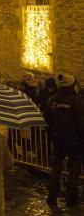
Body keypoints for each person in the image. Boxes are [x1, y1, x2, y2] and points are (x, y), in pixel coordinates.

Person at [45, 73, 84, 207]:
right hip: (75, 141)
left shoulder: (52, 100)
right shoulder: (77, 101)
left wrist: (52, 136)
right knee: (74, 170)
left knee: (56, 169)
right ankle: (71, 198)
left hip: (58, 141)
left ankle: (52, 196)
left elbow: (47, 122)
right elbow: (81, 123)